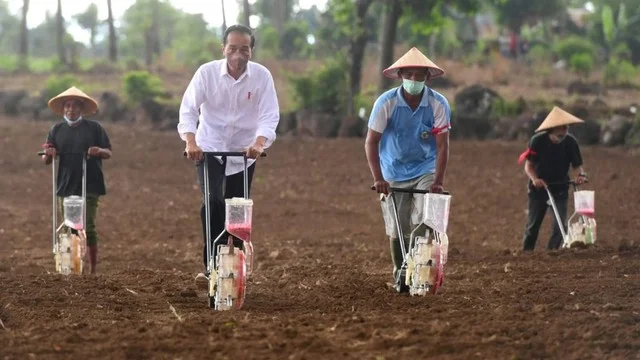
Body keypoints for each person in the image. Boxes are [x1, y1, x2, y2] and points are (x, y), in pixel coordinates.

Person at [177, 24, 280, 289]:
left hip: (244, 153)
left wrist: (259, 142)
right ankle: (210, 265)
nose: (237, 54)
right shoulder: (206, 73)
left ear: (251, 51)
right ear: (223, 49)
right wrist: (191, 141)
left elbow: (269, 115)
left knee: (237, 208)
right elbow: (188, 109)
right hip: (208, 148)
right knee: (211, 202)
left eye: (244, 49)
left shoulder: (261, 77)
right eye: (232, 48)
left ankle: (235, 260)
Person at [365, 47, 451, 286]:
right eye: (409, 75)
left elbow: (443, 146)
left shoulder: (438, 104)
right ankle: (400, 274)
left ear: (427, 77)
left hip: (425, 168)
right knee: (397, 226)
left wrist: (438, 181)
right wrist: (379, 178)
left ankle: (418, 266)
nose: (414, 80)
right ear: (401, 75)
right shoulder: (387, 102)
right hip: (393, 170)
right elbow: (372, 142)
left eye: (419, 75)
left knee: (426, 218)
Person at [41, 86, 113, 274]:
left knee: (87, 225)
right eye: (67, 106)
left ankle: (92, 269)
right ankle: (69, 266)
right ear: (63, 108)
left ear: (81, 108)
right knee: (68, 226)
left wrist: (98, 151)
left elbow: (108, 152)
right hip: (66, 184)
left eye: (75, 106)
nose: (71, 110)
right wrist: (49, 153)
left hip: (90, 182)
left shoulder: (94, 128)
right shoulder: (56, 129)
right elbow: (46, 159)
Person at [518, 106, 588, 251]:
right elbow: (528, 166)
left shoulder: (570, 142)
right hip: (539, 189)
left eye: (566, 128)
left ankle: (552, 253)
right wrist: (535, 179)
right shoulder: (537, 141)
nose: (563, 134)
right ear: (552, 129)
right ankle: (526, 254)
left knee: (561, 226)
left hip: (560, 188)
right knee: (533, 227)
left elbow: (577, 166)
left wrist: (580, 176)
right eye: (560, 132)